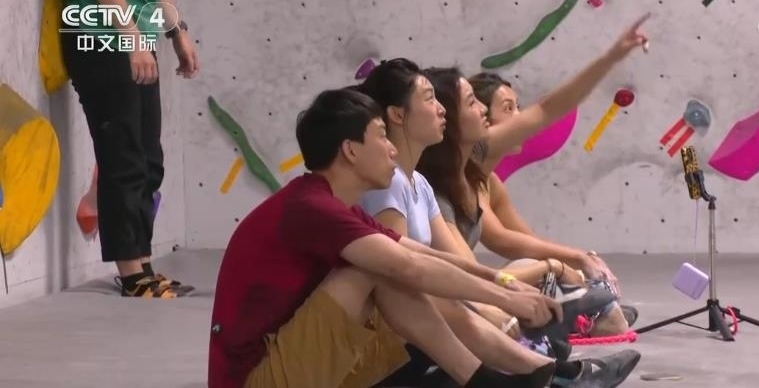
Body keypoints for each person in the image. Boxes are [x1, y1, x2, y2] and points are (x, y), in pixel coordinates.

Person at [207, 88, 583, 388]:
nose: (391, 148)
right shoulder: (311, 208)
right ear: (350, 150)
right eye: (382, 136)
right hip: (256, 378)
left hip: (295, 361)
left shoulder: (335, 204)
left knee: (397, 269)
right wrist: (504, 298)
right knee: (379, 270)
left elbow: (422, 254)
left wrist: (502, 282)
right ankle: (486, 380)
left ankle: (520, 373)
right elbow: (407, 266)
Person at [354, 60, 641, 387]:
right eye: (430, 100)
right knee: (447, 300)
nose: (440, 110)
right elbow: (403, 276)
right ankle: (551, 371)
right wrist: (505, 295)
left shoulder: (419, 182)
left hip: (427, 323)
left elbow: (458, 262)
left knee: (482, 296)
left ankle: (548, 368)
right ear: (397, 115)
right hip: (395, 342)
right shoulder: (391, 185)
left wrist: (511, 287)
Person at [416, 13, 651, 332]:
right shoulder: (439, 190)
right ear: (449, 119)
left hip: (470, 291)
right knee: (538, 278)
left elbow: (547, 110)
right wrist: (555, 266)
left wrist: (610, 58)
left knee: (545, 274)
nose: (484, 111)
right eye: (473, 103)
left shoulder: (476, 165)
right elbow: (476, 273)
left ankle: (576, 314)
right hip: (454, 302)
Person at [468, 71, 638, 336]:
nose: (520, 119)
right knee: (540, 270)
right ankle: (579, 315)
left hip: (470, 283)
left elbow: (526, 240)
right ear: (481, 119)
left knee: (550, 269)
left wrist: (579, 261)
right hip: (459, 289)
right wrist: (563, 264)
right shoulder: (461, 178)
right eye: (509, 109)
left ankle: (581, 310)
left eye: (518, 108)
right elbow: (501, 240)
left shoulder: (489, 182)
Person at [61, 0, 199, 298]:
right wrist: (133, 40)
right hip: (101, 39)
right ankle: (131, 274)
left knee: (149, 161)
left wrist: (177, 32)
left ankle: (143, 265)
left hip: (138, 40)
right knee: (122, 157)